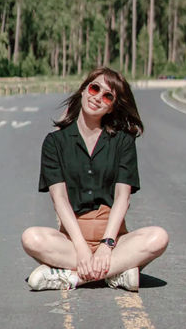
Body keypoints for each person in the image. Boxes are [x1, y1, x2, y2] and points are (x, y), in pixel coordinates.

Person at [21, 67, 169, 291]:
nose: (98, 97)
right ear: (83, 90)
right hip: (71, 241)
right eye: (95, 88)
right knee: (31, 238)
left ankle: (73, 278)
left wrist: (106, 246)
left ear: (112, 107)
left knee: (158, 237)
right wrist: (81, 248)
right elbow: (59, 199)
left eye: (108, 96)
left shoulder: (123, 142)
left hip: (114, 240)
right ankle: (116, 273)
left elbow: (122, 198)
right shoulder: (55, 143)